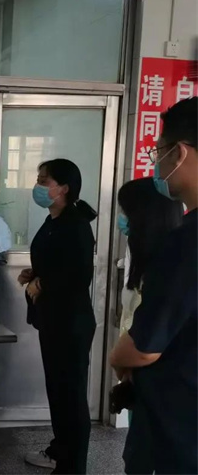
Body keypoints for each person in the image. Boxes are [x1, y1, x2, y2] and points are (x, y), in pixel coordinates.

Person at [110, 97, 197, 474]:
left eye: (158, 152)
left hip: (177, 429)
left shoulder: (187, 242)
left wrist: (117, 358)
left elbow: (143, 349)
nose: (156, 162)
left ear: (179, 152)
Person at [18, 159, 96, 474]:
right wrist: (34, 273)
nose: (37, 186)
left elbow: (79, 275)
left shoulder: (76, 224)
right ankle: (59, 453)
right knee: (59, 393)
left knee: (71, 398)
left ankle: (73, 467)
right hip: (52, 320)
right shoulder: (54, 219)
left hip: (70, 324)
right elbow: (58, 261)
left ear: (63, 188)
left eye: (43, 181)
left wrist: (43, 283)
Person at [116, 177, 183, 475]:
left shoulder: (169, 267)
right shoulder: (142, 257)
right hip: (139, 380)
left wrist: (119, 359)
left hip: (160, 386)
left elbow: (151, 340)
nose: (122, 220)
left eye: (126, 213)